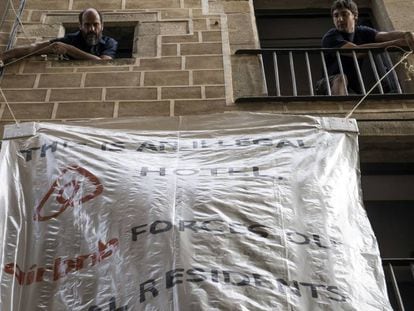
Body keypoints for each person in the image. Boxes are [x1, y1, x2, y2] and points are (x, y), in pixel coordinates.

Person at [315, 0, 414, 95]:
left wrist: (407, 35)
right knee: (341, 78)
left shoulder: (362, 31)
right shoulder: (331, 36)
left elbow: (385, 35)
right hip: (327, 84)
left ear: (355, 16)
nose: (339, 19)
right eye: (336, 16)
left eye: (344, 14)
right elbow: (357, 52)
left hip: (351, 87)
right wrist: (396, 43)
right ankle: (341, 110)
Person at [0, 8, 117, 67]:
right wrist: (3, 56)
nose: (91, 29)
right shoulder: (70, 40)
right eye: (87, 24)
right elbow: (34, 48)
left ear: (102, 26)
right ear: (80, 26)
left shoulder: (110, 42)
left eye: (95, 24)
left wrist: (69, 49)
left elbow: (103, 63)